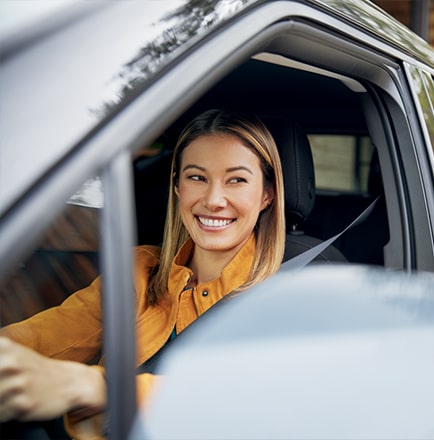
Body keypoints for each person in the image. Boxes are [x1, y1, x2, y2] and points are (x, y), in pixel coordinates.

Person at [0, 109, 286, 437]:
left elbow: (231, 399)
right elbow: (50, 334)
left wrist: (96, 387)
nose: (213, 199)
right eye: (196, 177)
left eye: (236, 180)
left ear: (267, 194)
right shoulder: (139, 270)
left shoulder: (283, 298)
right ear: (177, 187)